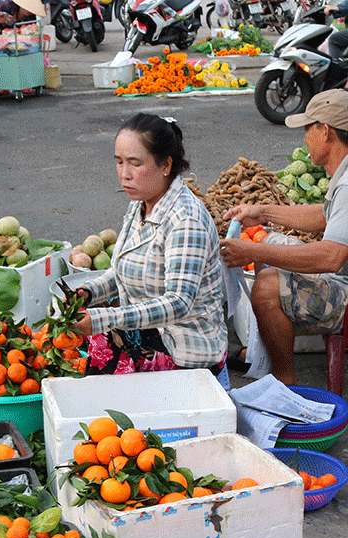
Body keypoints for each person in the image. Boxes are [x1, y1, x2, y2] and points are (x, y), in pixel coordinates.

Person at [220, 90, 348, 385]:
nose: (304, 138)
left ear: (325, 132)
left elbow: (331, 257)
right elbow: (324, 218)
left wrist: (252, 252)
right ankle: (267, 351)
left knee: (268, 287)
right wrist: (262, 213)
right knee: (269, 243)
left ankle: (284, 379)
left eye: (307, 129)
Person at [69, 114, 229, 378]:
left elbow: (179, 302)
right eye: (119, 163)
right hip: (149, 334)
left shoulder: (185, 219)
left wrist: (103, 319)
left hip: (185, 350)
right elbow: (122, 271)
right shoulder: (141, 204)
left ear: (165, 165)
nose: (124, 174)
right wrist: (87, 293)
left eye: (135, 163)